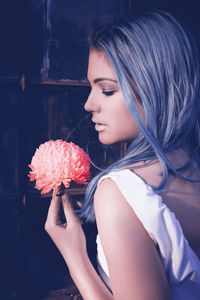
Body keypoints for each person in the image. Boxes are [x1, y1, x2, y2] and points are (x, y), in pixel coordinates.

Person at [45, 10, 200, 299]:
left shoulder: (121, 191)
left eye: (106, 90)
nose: (89, 104)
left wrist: (74, 256)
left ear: (155, 88)